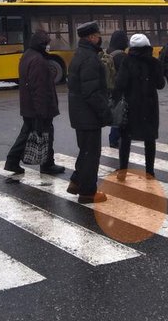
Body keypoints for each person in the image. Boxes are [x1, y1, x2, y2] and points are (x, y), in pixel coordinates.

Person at [4, 30, 66, 176]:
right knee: (46, 134)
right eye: (47, 44)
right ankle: (47, 165)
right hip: (39, 108)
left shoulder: (28, 56)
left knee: (27, 134)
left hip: (29, 106)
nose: (48, 47)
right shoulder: (38, 60)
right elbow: (39, 88)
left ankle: (12, 161)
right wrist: (41, 111)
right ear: (41, 45)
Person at [67, 21, 112, 204]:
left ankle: (76, 182)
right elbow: (91, 92)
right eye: (98, 35)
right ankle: (88, 192)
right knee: (91, 153)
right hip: (88, 114)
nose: (100, 38)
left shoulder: (81, 54)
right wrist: (105, 112)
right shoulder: (90, 59)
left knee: (85, 150)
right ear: (92, 37)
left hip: (80, 113)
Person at [114, 34, 165, 179]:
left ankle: (123, 171)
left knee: (125, 138)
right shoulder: (154, 63)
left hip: (131, 105)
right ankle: (150, 172)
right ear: (148, 46)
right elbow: (161, 85)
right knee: (150, 139)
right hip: (149, 106)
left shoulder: (126, 61)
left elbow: (120, 84)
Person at [106, 30, 128, 148]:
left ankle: (113, 138)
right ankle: (115, 139)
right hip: (119, 91)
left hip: (110, 89)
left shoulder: (109, 53)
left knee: (115, 114)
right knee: (120, 115)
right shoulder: (121, 56)